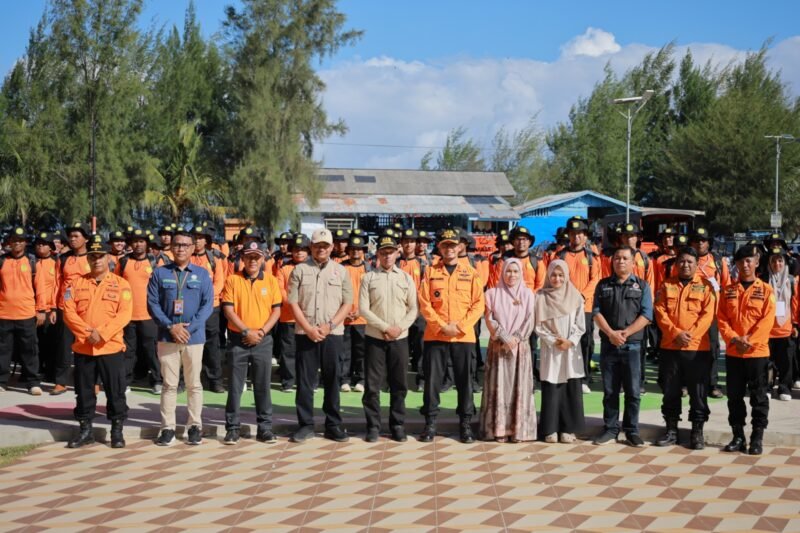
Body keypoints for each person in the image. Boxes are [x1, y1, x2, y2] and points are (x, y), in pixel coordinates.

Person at [63, 234, 133, 448]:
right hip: (84, 347)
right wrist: (88, 333)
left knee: (115, 391)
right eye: (92, 256)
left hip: (110, 347)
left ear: (108, 258)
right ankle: (86, 431)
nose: (97, 260)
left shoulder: (121, 284)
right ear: (88, 259)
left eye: (100, 256)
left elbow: (124, 314)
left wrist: (101, 334)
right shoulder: (76, 283)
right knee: (84, 392)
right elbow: (68, 312)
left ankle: (117, 431)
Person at [417, 228, 485, 443]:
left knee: (465, 382)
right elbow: (424, 303)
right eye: (445, 245)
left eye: (452, 245)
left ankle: (465, 424)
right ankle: (430, 423)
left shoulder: (471, 272)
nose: (449, 249)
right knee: (432, 382)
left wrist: (460, 327)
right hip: (436, 335)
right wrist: (441, 326)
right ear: (440, 247)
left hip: (463, 336)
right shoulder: (430, 272)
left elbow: (478, 304)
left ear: (460, 247)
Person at [147, 228, 214, 446]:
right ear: (171, 247)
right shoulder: (160, 273)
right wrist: (171, 327)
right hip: (167, 337)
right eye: (177, 244)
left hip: (194, 338)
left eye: (185, 245)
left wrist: (189, 328)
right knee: (169, 384)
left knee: (194, 384)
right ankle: (167, 428)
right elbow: (152, 304)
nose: (180, 249)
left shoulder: (202, 274)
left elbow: (207, 306)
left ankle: (194, 426)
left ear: (193, 248)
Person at [287, 228, 353, 443]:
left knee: (332, 380)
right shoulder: (299, 270)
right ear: (311, 247)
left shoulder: (341, 271)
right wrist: (308, 328)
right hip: (305, 333)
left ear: (332, 247)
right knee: (305, 382)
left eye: (325, 246)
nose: (321, 249)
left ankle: (333, 424)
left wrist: (329, 325)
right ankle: (305, 425)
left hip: (332, 334)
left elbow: (347, 303)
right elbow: (293, 303)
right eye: (317, 246)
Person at [654, 247, 716, 449]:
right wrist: (675, 333)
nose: (685, 265)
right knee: (670, 391)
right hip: (670, 347)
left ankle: (697, 432)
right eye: (682, 261)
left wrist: (690, 336)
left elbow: (708, 315)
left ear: (697, 264)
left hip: (697, 349)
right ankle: (671, 430)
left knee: (698, 393)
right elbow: (660, 311)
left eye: (690, 261)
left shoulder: (706, 286)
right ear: (676, 263)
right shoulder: (666, 285)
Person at [220, 241, 282, 444]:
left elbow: (276, 311)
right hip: (238, 339)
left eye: (256, 257)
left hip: (263, 340)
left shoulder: (271, 281)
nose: (252, 260)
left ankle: (265, 428)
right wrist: (246, 331)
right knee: (235, 387)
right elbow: (228, 310)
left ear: (262, 259)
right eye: (249, 257)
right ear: (243, 259)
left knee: (262, 386)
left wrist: (261, 332)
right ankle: (233, 428)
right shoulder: (232, 279)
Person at [358, 234, 418, 442]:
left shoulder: (406, 278)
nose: (387, 256)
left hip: (399, 338)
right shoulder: (368, 278)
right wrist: (385, 327)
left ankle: (397, 425)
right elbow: (363, 309)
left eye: (390, 252)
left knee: (399, 384)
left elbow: (413, 309)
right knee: (372, 386)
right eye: (383, 252)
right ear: (378, 254)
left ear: (397, 254)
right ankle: (373, 426)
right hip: (375, 337)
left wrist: (398, 328)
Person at [592, 246, 653, 446]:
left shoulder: (642, 286)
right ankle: (610, 429)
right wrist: (611, 334)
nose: (620, 261)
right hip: (609, 345)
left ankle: (631, 430)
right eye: (617, 258)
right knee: (610, 391)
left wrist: (625, 333)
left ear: (633, 263)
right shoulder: (603, 285)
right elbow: (596, 313)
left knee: (633, 391)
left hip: (632, 346)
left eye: (625, 258)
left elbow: (646, 315)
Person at [718, 245, 776, 455]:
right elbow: (722, 318)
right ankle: (738, 436)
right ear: (736, 264)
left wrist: (749, 340)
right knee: (734, 397)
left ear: (757, 262)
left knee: (759, 397)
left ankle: (757, 438)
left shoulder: (766, 290)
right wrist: (735, 338)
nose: (745, 264)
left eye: (749, 260)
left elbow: (767, 320)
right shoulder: (728, 291)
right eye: (741, 261)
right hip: (734, 352)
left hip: (757, 353)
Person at [480, 258, 537, 442]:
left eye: (515, 271)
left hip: (520, 349)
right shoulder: (492, 294)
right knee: (499, 386)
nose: (512, 275)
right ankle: (499, 429)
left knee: (519, 387)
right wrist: (504, 337)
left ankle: (519, 431)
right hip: (499, 348)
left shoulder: (528, 295)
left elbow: (530, 319)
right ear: (502, 273)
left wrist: (516, 338)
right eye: (508, 271)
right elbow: (489, 318)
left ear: (521, 273)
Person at [535, 259, 586, 444]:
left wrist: (570, 341)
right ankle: (550, 429)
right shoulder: (540, 297)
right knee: (552, 387)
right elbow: (537, 326)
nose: (557, 279)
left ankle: (568, 429)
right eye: (553, 275)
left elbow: (580, 324)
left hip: (570, 349)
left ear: (566, 276)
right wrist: (554, 341)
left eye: (561, 275)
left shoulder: (576, 296)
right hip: (552, 349)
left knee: (570, 388)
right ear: (548, 276)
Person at [116, 228, 167, 393]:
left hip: (149, 314)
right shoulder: (123, 262)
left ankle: (157, 381)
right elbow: (115, 284)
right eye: (135, 241)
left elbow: (163, 288)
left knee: (151, 350)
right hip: (127, 314)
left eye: (141, 241)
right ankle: (125, 381)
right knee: (128, 350)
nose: (138, 245)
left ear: (147, 244)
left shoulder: (155, 262)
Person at [558, 217, 601, 393]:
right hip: (563, 306)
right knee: (564, 339)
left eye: (580, 234)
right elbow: (555, 278)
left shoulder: (591, 257)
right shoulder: (560, 256)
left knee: (585, 342)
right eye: (573, 233)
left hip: (585, 306)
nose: (576, 237)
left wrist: (582, 296)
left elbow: (595, 279)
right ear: (568, 235)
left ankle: (584, 378)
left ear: (585, 236)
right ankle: (564, 375)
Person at [0, 227, 42, 395]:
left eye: (20, 240)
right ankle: (2, 381)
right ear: (9, 242)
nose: (17, 243)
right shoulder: (2, 261)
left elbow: (40, 289)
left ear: (25, 242)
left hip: (26, 313)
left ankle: (33, 382)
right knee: (3, 350)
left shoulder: (32, 261)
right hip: (4, 313)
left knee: (29, 350)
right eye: (14, 240)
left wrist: (41, 310)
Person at [52, 222, 91, 395]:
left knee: (88, 344)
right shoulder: (63, 259)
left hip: (87, 308)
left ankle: (92, 381)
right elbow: (57, 283)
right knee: (64, 346)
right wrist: (54, 308)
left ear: (86, 239)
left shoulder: (93, 257)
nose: (72, 239)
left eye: (76, 236)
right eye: (71, 236)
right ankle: (61, 382)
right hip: (66, 308)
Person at [690, 227, 730, 399]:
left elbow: (727, 286)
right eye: (696, 240)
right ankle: (687, 382)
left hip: (713, 313)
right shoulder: (686, 260)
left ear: (708, 243)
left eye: (703, 240)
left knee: (713, 349)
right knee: (689, 347)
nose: (700, 243)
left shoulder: (718, 262)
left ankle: (713, 384)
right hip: (690, 313)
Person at [191, 224, 227, 393]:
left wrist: (204, 298)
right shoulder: (186, 257)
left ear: (206, 240)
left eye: (200, 238)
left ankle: (215, 380)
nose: (197, 241)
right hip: (191, 308)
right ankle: (189, 379)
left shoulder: (214, 258)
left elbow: (219, 282)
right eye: (195, 237)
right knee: (189, 344)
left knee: (212, 344)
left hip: (211, 307)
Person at [763, 246, 799, 402]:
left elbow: (795, 304)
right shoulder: (763, 279)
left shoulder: (792, 280)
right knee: (767, 361)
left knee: (786, 362)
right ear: (769, 263)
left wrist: (795, 324)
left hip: (786, 328)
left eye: (780, 261)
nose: (777, 264)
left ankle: (785, 387)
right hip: (767, 329)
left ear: (785, 262)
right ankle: (768, 387)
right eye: (773, 261)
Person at [276, 234, 310, 392]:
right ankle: (288, 381)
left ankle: (308, 381)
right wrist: (292, 304)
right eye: (296, 249)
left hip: (309, 317)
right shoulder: (284, 269)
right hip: (288, 316)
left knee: (307, 351)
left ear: (308, 251)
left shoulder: (314, 268)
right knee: (288, 351)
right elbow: (280, 289)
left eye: (303, 249)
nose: (299, 252)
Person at [397, 228, 427, 393]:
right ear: (401, 243)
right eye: (406, 241)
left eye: (412, 241)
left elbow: (426, 288)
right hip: (399, 312)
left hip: (419, 312)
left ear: (416, 244)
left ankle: (421, 379)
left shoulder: (422, 264)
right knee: (401, 347)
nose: (409, 244)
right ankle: (398, 380)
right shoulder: (395, 263)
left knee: (421, 347)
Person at [341, 234, 370, 392]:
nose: (356, 252)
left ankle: (361, 379)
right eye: (352, 249)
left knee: (362, 351)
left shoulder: (369, 269)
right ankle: (344, 379)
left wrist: (361, 310)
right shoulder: (340, 268)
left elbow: (373, 293)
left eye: (359, 249)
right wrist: (343, 311)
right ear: (348, 251)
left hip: (363, 318)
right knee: (344, 351)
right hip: (343, 317)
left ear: (363, 251)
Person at [33, 231, 60, 385]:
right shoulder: (31, 262)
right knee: (34, 343)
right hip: (32, 310)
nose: (40, 246)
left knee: (51, 343)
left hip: (50, 310)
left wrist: (54, 309)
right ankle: (34, 371)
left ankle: (50, 373)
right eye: (38, 244)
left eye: (44, 244)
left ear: (50, 247)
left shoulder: (56, 263)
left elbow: (57, 287)